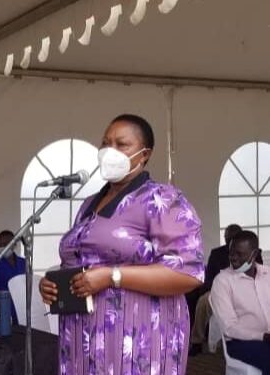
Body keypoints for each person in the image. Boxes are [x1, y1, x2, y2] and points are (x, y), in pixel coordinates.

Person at [39, 114, 204, 375]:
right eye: (105, 143)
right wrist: (53, 283)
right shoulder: (89, 203)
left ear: (144, 154)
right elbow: (80, 260)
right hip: (81, 334)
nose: (109, 151)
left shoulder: (161, 199)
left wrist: (112, 277)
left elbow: (187, 273)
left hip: (137, 336)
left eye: (121, 144)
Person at [189, 224, 263, 355]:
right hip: (219, 290)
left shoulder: (253, 253)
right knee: (202, 302)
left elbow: (258, 276)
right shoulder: (216, 253)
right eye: (227, 239)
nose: (230, 243)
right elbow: (210, 279)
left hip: (246, 289)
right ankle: (196, 341)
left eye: (232, 239)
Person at [211, 230, 270, 374]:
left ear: (254, 254)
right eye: (231, 253)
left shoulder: (267, 274)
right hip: (241, 343)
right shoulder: (223, 281)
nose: (233, 258)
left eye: (239, 254)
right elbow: (229, 327)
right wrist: (262, 336)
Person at [0, 230, 25, 324]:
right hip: (4, 310)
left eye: (5, 244)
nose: (2, 247)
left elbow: (29, 286)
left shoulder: (24, 263)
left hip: (22, 309)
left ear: (14, 244)